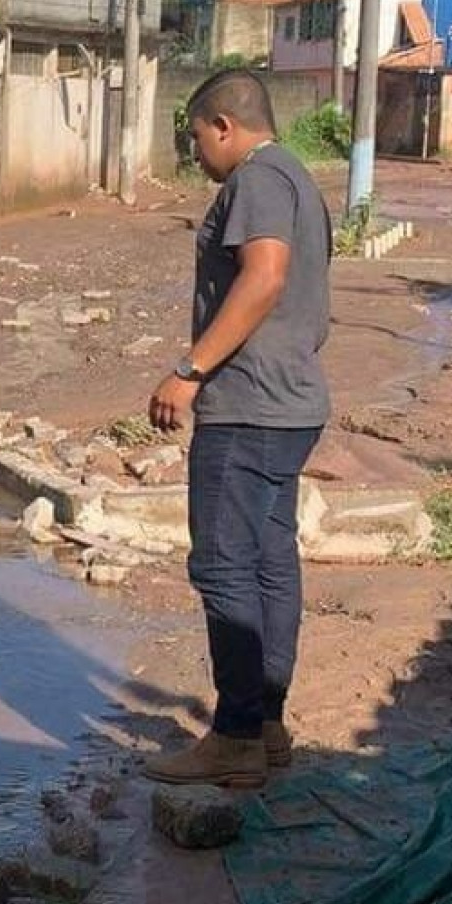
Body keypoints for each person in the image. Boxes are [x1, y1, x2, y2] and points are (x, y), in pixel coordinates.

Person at [145, 69, 333, 790]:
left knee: (224, 566)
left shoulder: (257, 180)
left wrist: (189, 370)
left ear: (224, 126)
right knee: (268, 560)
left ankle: (235, 736)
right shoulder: (298, 179)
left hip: (249, 406)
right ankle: (266, 723)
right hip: (290, 404)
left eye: (197, 137)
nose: (196, 153)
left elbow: (266, 276)